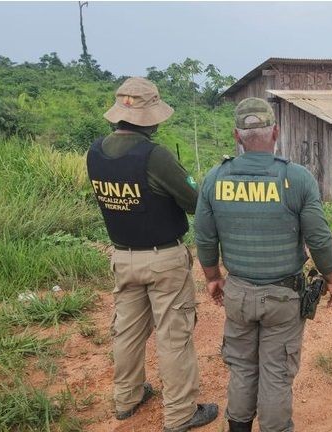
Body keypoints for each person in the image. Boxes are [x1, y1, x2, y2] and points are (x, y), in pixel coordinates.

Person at [195, 97, 332, 432]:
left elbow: (204, 237)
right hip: (283, 297)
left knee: (243, 367)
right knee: (276, 373)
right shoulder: (297, 178)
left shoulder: (215, 178)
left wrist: (213, 277)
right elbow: (318, 238)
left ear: (237, 136)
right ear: (275, 132)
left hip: (238, 292)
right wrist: (331, 277)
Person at [86, 77, 218, 432]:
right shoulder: (154, 156)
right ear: (151, 118)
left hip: (122, 257)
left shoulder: (94, 152)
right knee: (173, 334)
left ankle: (126, 398)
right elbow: (194, 201)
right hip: (163, 259)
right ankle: (180, 414)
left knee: (127, 331)